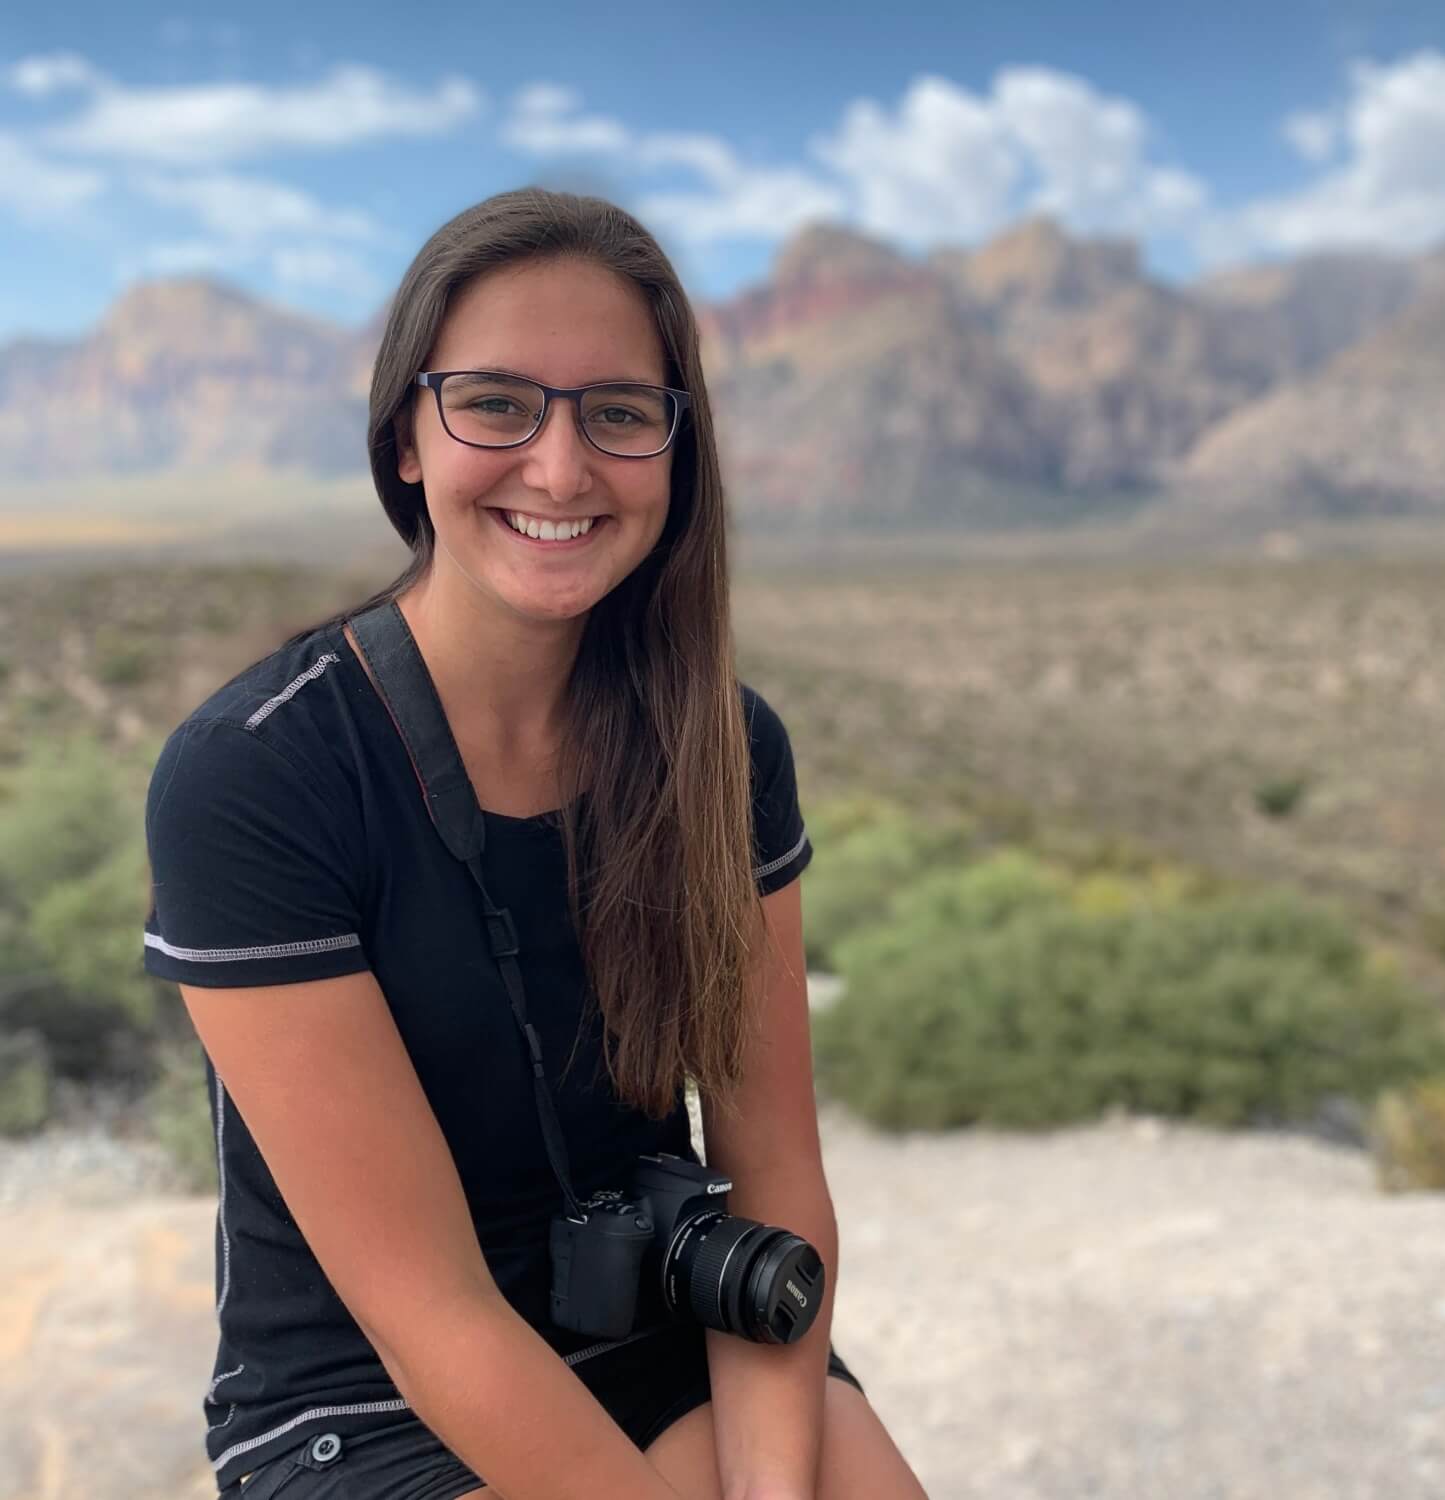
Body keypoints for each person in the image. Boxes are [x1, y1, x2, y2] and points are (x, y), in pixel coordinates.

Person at [142, 186, 929, 1500]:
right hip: (373, 1393)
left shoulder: (722, 749)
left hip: (666, 1321)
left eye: (617, 413)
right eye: (497, 404)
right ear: (404, 438)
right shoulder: (261, 774)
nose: (560, 470)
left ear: (677, 451)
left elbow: (775, 1174)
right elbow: (430, 1313)